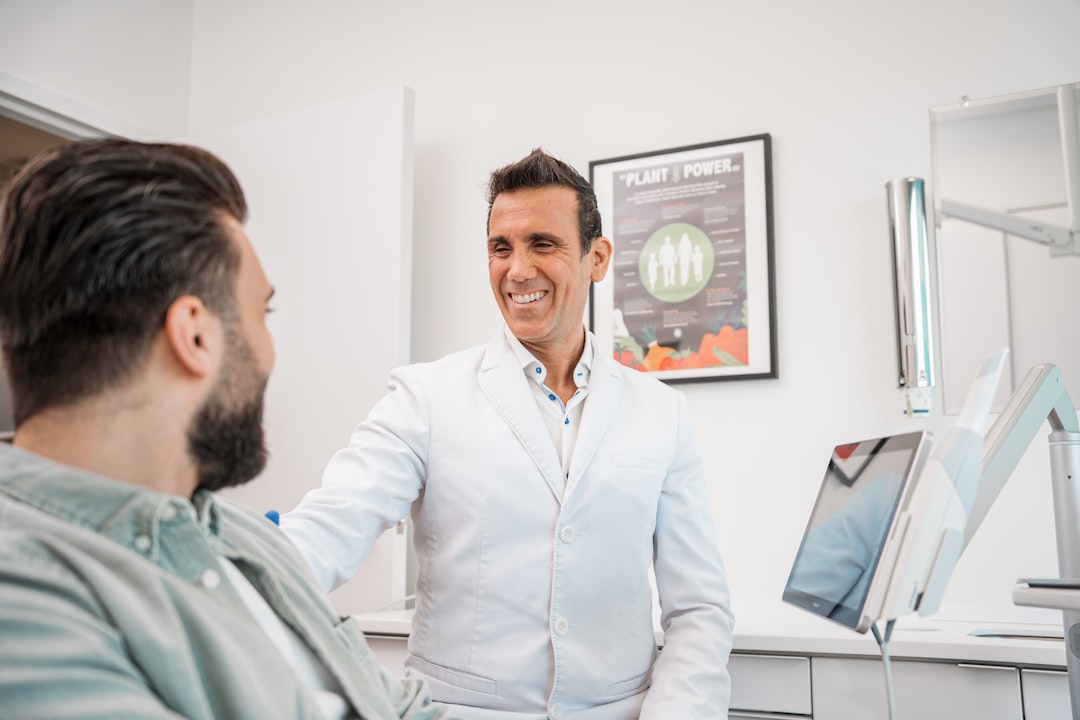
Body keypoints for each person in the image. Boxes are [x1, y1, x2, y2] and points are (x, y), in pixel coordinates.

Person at [0, 139, 466, 720]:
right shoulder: (24, 600)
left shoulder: (246, 540)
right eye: (261, 314)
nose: (270, 351)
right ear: (195, 337)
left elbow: (399, 709)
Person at [281, 148, 735, 719]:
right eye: (502, 247)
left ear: (597, 258)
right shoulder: (425, 397)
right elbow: (332, 523)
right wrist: (221, 575)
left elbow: (699, 609)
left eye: (542, 243)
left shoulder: (661, 413)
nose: (518, 270)